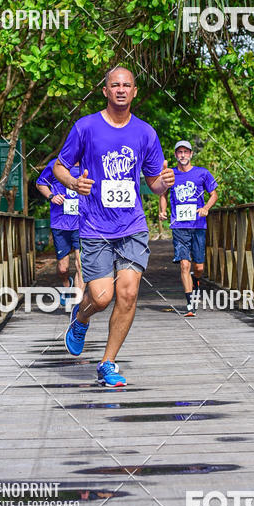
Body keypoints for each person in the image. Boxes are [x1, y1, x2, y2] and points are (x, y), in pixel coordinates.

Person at [53, 66, 175, 387]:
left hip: (132, 226)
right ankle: (81, 318)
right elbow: (59, 167)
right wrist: (73, 182)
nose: (121, 89)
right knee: (102, 297)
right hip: (95, 227)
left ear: (135, 92)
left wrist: (162, 184)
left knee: (128, 293)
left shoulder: (146, 133)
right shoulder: (86, 127)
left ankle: (108, 362)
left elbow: (153, 183)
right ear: (105, 91)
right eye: (114, 85)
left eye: (127, 85)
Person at [159, 141, 218, 316]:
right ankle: (190, 303)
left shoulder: (202, 173)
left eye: (186, 152)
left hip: (198, 225)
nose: (182, 155)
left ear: (191, 154)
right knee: (184, 264)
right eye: (179, 152)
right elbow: (162, 194)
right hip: (179, 226)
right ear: (176, 155)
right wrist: (162, 211)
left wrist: (206, 207)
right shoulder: (171, 174)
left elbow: (214, 194)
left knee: (198, 267)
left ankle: (196, 280)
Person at [36, 160, 83, 307]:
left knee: (80, 263)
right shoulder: (56, 165)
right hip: (60, 222)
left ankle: (77, 301)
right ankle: (66, 285)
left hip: (82, 223)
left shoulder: (89, 163)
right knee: (63, 268)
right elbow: (40, 184)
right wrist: (52, 196)